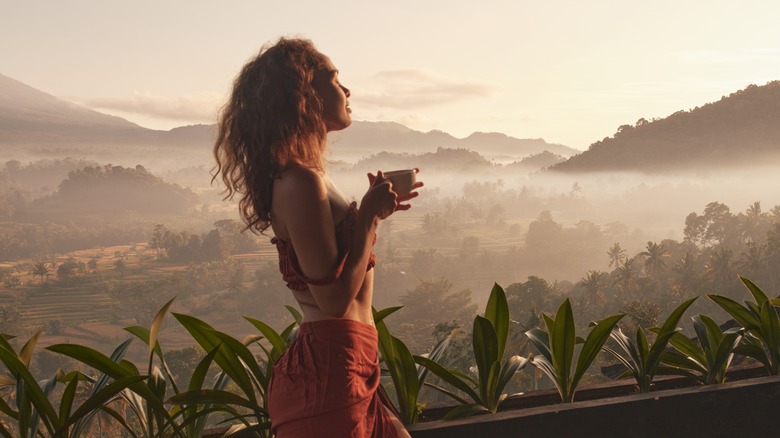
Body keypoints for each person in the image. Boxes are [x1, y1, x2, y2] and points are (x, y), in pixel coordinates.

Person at [213, 37, 421, 437]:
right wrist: (367, 220)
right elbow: (334, 299)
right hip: (330, 375)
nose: (346, 90)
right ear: (303, 93)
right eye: (333, 78)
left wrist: (371, 212)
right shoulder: (301, 182)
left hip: (350, 363)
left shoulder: (310, 177)